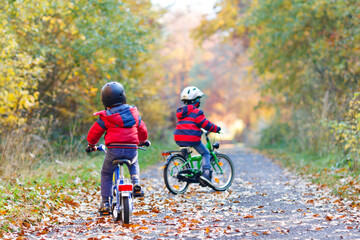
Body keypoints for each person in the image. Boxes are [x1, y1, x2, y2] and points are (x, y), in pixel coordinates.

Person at [86, 82, 148, 214]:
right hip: (131, 148)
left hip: (113, 150)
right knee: (134, 161)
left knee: (106, 173)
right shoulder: (133, 113)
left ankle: (105, 203)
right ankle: (136, 181)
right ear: (123, 96)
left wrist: (91, 144)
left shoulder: (106, 116)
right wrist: (142, 141)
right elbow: (142, 129)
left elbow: (95, 132)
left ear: (104, 100)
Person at [174, 86, 221, 185]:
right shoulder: (197, 112)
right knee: (205, 153)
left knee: (185, 155)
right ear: (195, 101)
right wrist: (216, 128)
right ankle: (206, 174)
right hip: (191, 138)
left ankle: (185, 172)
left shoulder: (181, 112)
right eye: (199, 99)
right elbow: (205, 124)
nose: (199, 101)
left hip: (178, 137)